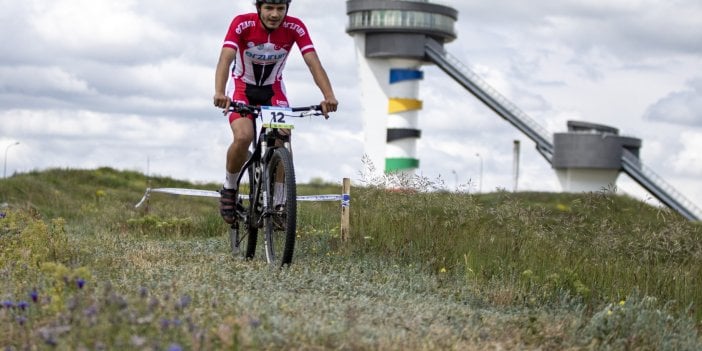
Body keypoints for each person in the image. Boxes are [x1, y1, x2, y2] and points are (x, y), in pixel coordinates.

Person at [213, 0, 338, 224]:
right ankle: (230, 188)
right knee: (243, 137)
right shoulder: (242, 24)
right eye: (269, 8)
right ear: (259, 8)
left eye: (280, 9)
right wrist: (220, 92)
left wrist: (329, 95)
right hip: (242, 87)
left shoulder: (295, 27)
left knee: (283, 137)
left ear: (287, 10)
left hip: (273, 90)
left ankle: (280, 204)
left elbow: (313, 63)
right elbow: (226, 58)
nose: (274, 14)